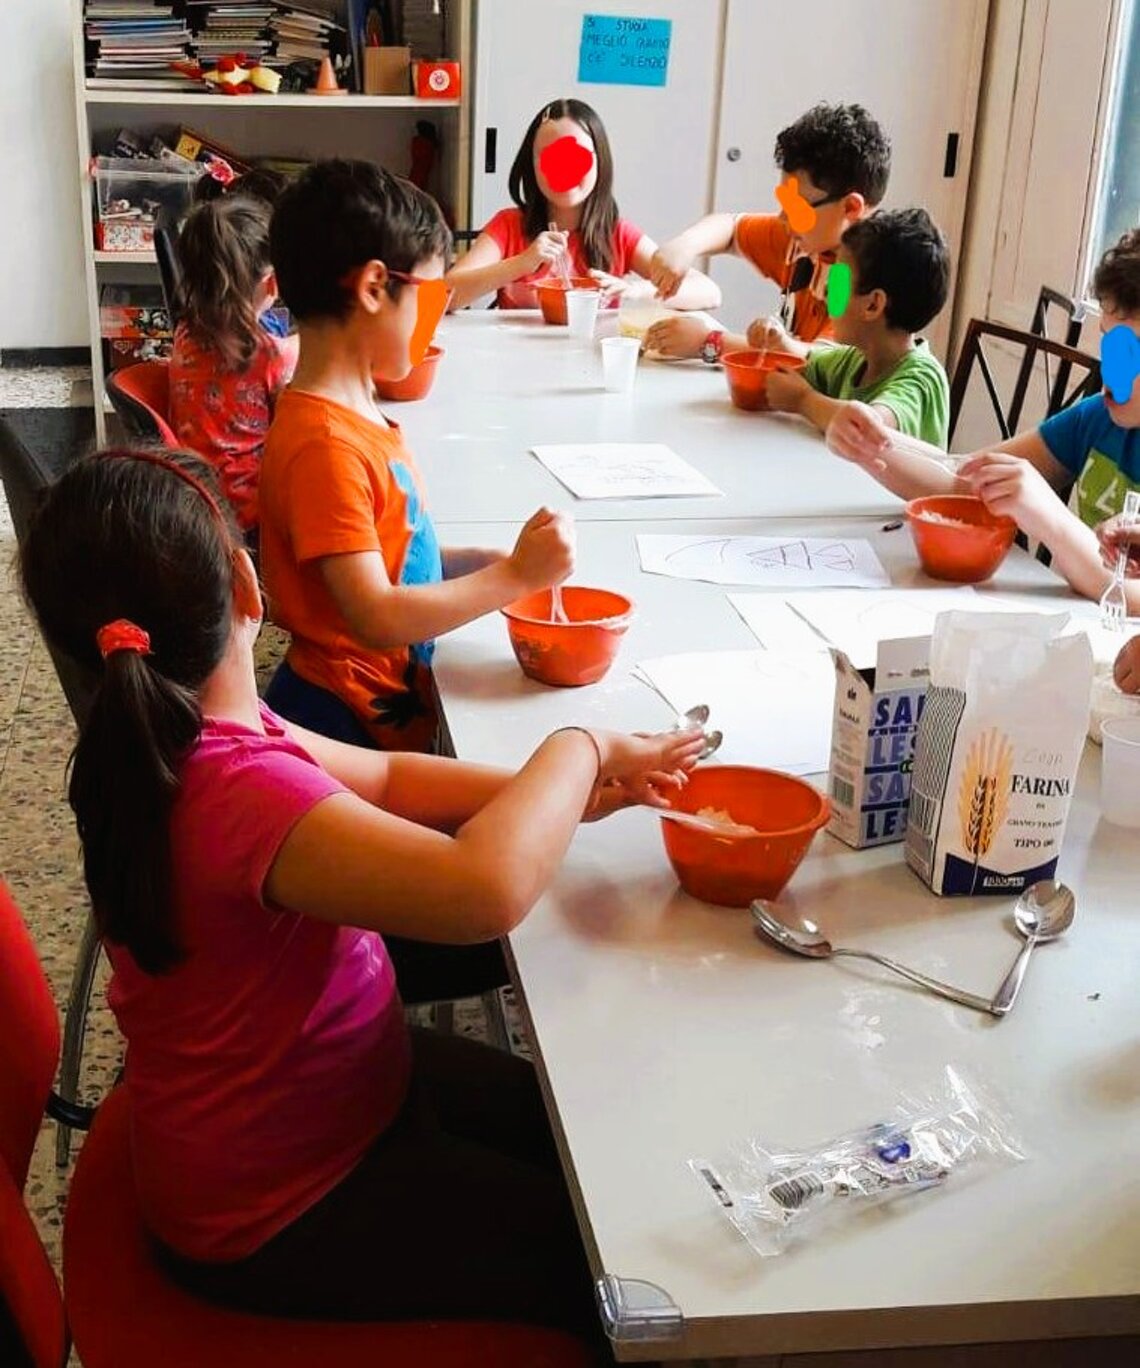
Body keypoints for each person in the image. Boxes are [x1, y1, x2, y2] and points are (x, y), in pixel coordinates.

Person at [18, 446, 703, 1352]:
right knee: (613, 1272)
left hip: (327, 1101)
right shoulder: (235, 791)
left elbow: (385, 778)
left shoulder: (197, 730)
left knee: (594, 1157)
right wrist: (579, 748)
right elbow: (483, 890)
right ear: (246, 586)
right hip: (280, 1206)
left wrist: (563, 795)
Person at [260, 159, 574, 754]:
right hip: (343, 724)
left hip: (379, 708)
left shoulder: (356, 412)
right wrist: (513, 577)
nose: (437, 316)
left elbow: (389, 555)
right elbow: (375, 613)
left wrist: (478, 564)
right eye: (431, 297)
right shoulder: (325, 445)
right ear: (374, 288)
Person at [825, 227, 1140, 610]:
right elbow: (962, 479)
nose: (1111, 371)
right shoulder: (1097, 417)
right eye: (1108, 343)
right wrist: (870, 442)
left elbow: (1132, 598)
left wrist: (1049, 517)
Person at [644, 102, 890, 362]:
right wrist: (685, 246)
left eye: (796, 207)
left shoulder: (856, 278)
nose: (783, 218)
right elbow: (731, 229)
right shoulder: (806, 239)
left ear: (850, 208)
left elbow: (821, 360)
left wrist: (710, 341)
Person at [445, 98, 720, 312]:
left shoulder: (618, 234)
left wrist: (635, 291)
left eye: (576, 157)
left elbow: (708, 292)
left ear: (600, 163)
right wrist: (521, 264)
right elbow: (444, 294)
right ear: (531, 166)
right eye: (551, 157)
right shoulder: (509, 225)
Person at [765, 208, 951, 446]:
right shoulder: (854, 360)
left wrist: (803, 400)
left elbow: (866, 431)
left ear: (873, 305)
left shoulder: (921, 380)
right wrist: (778, 340)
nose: (827, 290)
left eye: (839, 282)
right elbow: (803, 361)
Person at [169, 196, 298, 536]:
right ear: (272, 282)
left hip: (196, 504)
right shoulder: (269, 355)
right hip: (250, 517)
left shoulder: (185, 332)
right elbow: (292, 425)